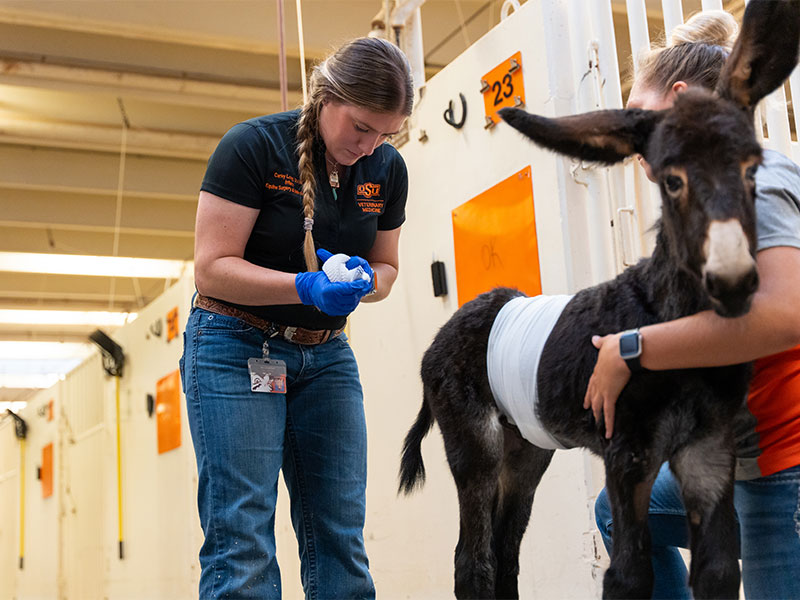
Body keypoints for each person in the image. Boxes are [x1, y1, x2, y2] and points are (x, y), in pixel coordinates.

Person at [180, 36, 413, 599]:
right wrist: (305, 287)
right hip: (237, 345)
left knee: (340, 536)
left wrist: (362, 282)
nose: (371, 144)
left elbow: (387, 268)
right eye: (361, 127)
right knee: (243, 540)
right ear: (326, 97)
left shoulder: (386, 167)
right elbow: (211, 269)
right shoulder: (254, 147)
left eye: (387, 133)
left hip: (326, 356)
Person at [587, 10, 800, 600]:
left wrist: (634, 349)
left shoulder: (763, 178)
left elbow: (784, 316)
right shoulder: (696, 209)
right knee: (619, 507)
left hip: (788, 465)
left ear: (678, 102)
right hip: (743, 459)